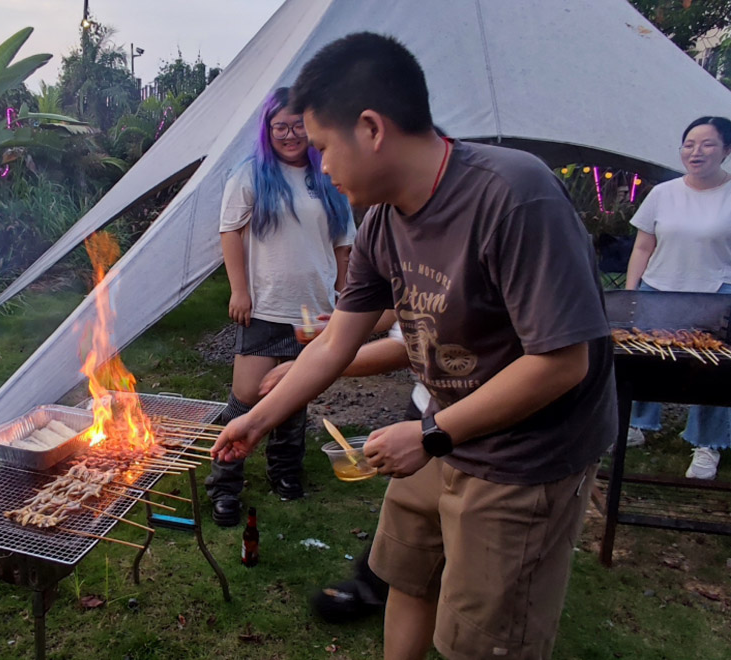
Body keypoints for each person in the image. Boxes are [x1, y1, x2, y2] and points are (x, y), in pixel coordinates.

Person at [212, 32, 616, 660]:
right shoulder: (381, 219)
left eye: (323, 147)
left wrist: (429, 436)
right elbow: (334, 343)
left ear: (371, 128)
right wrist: (256, 421)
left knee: (480, 639)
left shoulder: (512, 195)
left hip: (524, 455)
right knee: (406, 576)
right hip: (443, 432)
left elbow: (560, 364)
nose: (321, 167)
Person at [205, 87, 355, 527]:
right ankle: (224, 484)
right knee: (245, 399)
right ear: (267, 131)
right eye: (280, 127)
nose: (290, 135)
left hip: (315, 309)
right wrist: (239, 290)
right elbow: (230, 231)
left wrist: (345, 295)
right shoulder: (251, 174)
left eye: (297, 126)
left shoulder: (328, 173)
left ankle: (286, 472)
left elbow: (344, 242)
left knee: (295, 395)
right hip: (266, 305)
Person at [624, 116, 731, 480]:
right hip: (658, 287)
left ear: (727, 150)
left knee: (712, 371)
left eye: (707, 144)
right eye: (689, 144)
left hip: (717, 291)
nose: (696, 151)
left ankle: (708, 444)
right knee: (646, 360)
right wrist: (630, 293)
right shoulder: (663, 193)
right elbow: (643, 245)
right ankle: (637, 425)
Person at [260, 313, 425, 623]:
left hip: (494, 429)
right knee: (407, 525)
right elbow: (397, 306)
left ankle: (382, 586)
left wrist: (315, 366)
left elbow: (405, 347)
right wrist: (341, 327)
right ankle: (375, 584)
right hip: (427, 405)